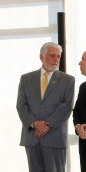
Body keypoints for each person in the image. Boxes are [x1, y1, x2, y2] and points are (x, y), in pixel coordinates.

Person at [16, 42, 75, 172]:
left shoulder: (68, 80)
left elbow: (66, 107)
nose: (56, 59)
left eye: (58, 56)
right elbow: (21, 105)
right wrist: (35, 123)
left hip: (54, 138)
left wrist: (45, 126)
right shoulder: (26, 79)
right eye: (52, 56)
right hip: (32, 138)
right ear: (41, 57)